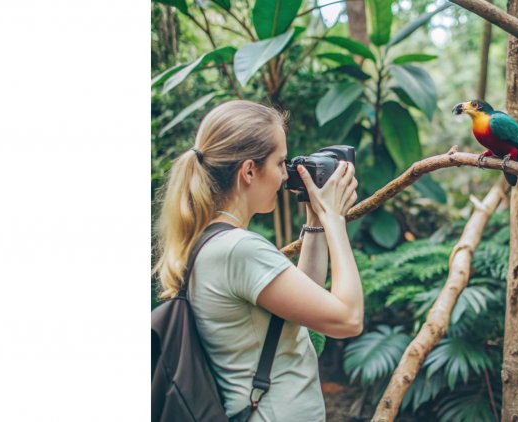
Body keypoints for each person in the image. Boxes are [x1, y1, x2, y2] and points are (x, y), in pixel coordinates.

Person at [153, 100, 362, 421]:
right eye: (280, 163)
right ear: (249, 170)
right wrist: (335, 219)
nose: (285, 175)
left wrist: (317, 219)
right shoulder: (239, 250)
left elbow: (302, 304)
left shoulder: (211, 243)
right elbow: (347, 319)